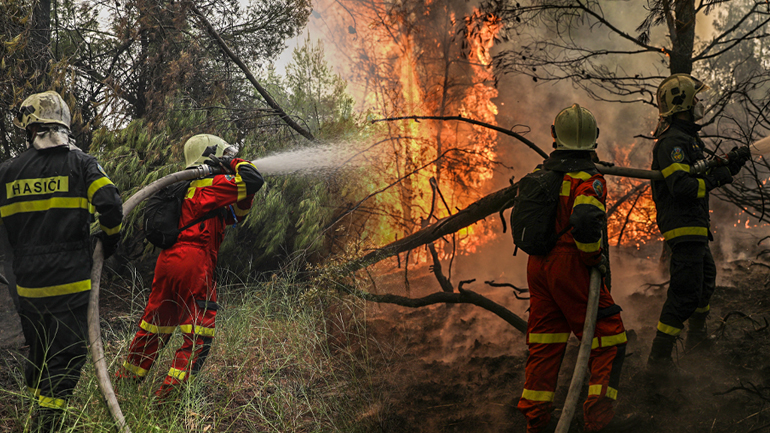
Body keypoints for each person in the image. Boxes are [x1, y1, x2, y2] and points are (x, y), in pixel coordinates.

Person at [0, 90, 123, 430]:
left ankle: (33, 407)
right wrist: (109, 239)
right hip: (69, 281)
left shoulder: (7, 172)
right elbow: (110, 204)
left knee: (38, 350)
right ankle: (47, 424)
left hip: (25, 284)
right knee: (66, 356)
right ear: (64, 125)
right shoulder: (81, 163)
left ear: (30, 129)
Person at [116, 134, 263, 398]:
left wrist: (244, 196)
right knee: (198, 334)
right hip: (194, 264)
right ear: (213, 156)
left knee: (154, 326)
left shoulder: (185, 189)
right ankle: (168, 398)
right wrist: (233, 164)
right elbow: (253, 179)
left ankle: (124, 387)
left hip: (168, 263)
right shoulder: (213, 186)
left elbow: (233, 217)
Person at [518, 104, 629, 433]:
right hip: (569, 266)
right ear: (594, 138)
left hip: (537, 267)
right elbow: (583, 221)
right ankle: (598, 421)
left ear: (555, 136)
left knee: (545, 344)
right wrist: (592, 256)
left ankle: (536, 423)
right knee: (610, 339)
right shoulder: (589, 179)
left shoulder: (543, 176)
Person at [647, 74, 749, 369]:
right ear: (683, 105)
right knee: (685, 293)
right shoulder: (672, 143)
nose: (699, 103)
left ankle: (697, 338)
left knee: (705, 281)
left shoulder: (688, 139)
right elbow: (681, 187)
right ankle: (659, 359)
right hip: (683, 226)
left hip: (695, 225)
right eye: (695, 99)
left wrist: (731, 164)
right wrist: (716, 178)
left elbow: (702, 172)